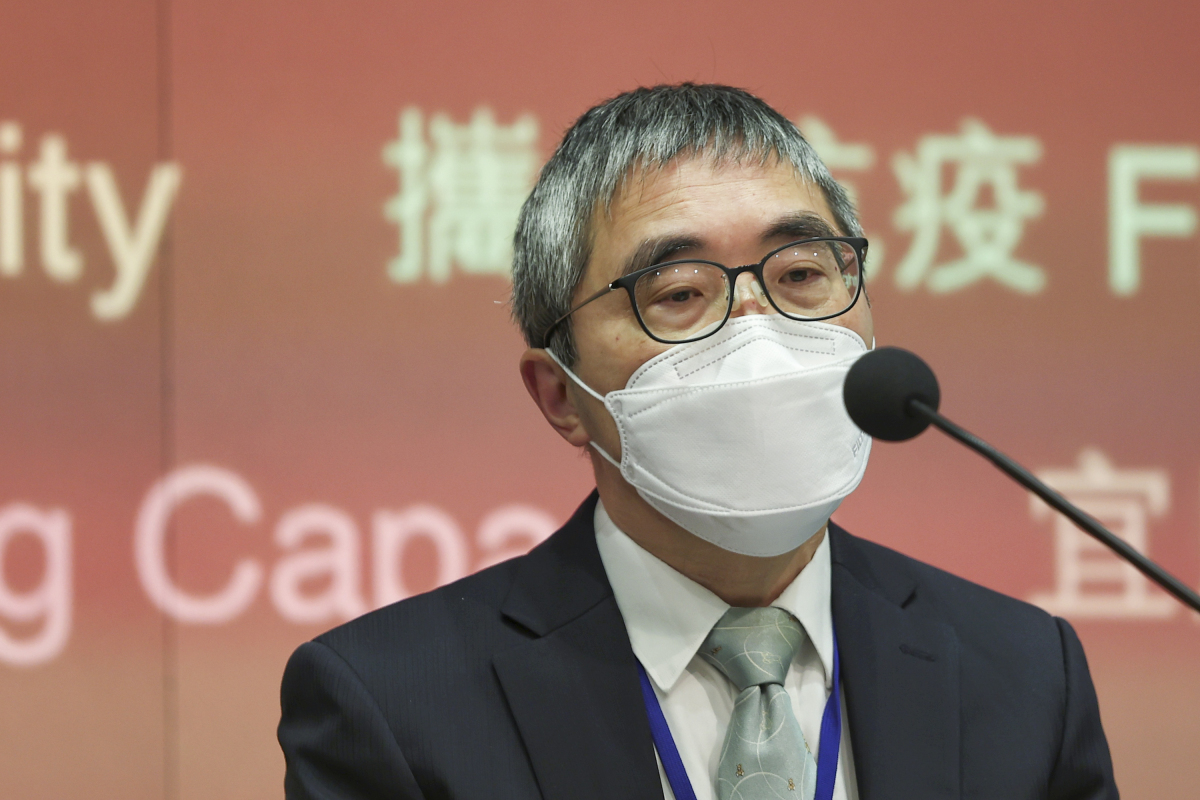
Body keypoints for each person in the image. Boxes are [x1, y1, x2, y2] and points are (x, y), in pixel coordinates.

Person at [278, 84, 1117, 800]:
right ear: (561, 396)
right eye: (679, 292)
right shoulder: (391, 705)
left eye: (801, 274)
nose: (758, 331)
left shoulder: (1026, 674)